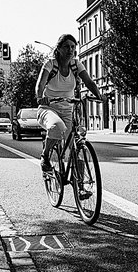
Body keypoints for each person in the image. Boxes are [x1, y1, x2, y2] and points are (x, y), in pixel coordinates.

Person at [35, 34, 103, 172]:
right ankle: (45, 155)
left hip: (68, 109)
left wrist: (99, 95)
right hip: (48, 108)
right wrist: (40, 96)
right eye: (66, 47)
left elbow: (89, 82)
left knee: (77, 145)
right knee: (57, 127)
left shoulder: (76, 65)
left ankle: (81, 186)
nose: (70, 50)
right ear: (59, 49)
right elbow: (40, 84)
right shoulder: (50, 64)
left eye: (73, 47)